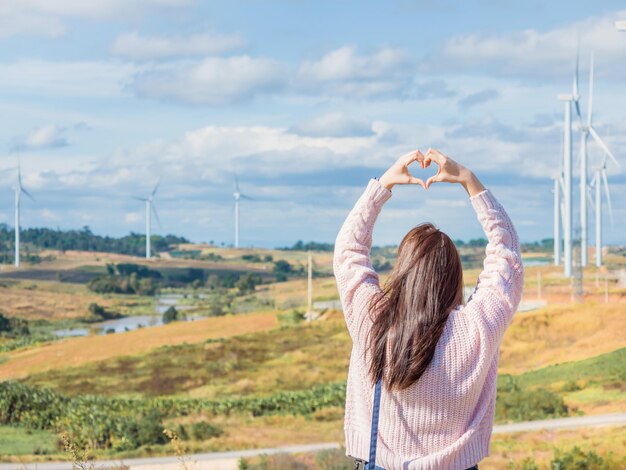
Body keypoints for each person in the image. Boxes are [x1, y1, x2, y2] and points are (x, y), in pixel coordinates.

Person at [333, 148, 524, 470]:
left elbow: (348, 252)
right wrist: (469, 181)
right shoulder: (477, 326)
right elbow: (507, 256)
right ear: (454, 275)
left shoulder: (373, 318)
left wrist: (383, 186)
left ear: (403, 269)